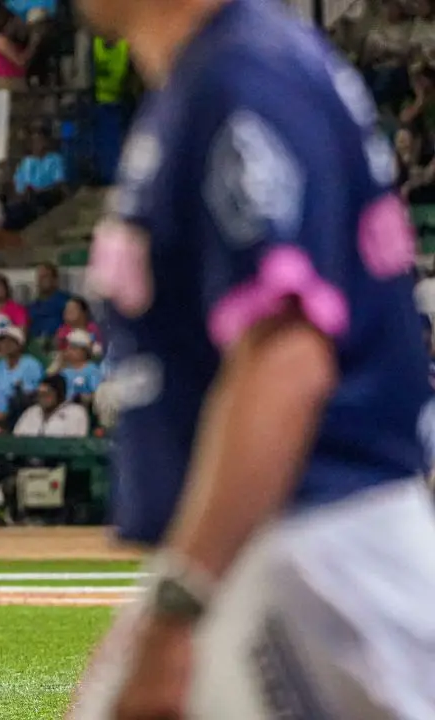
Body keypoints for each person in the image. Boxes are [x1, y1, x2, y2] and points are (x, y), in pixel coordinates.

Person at [71, 0, 435, 718]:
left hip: (309, 551)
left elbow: (287, 360)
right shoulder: (220, 74)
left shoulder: (240, 76)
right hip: (266, 543)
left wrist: (180, 607)